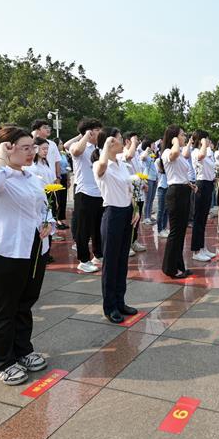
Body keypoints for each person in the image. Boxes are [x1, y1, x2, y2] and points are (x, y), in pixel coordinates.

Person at [0, 126, 52, 386]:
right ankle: (3, 362)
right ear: (7, 148)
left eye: (33, 147)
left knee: (25, 302)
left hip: (34, 247)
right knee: (3, 308)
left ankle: (23, 350)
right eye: (25, 148)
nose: (31, 152)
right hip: (4, 250)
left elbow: (42, 208)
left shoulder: (31, 176)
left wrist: (49, 222)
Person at [93, 128, 140, 323]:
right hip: (112, 214)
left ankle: (120, 301)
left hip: (127, 213)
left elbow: (130, 188)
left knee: (122, 261)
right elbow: (102, 166)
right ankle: (110, 306)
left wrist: (135, 209)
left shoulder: (121, 164)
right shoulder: (100, 164)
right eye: (120, 139)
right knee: (111, 263)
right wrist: (105, 145)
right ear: (110, 143)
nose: (124, 142)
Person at [67, 118, 104, 273]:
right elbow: (76, 151)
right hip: (84, 192)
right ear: (89, 132)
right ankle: (83, 260)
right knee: (84, 229)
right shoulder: (78, 146)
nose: (100, 133)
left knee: (98, 227)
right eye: (97, 130)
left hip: (99, 192)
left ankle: (98, 254)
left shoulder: (99, 148)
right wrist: (86, 136)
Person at [160, 125, 195, 279]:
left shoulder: (179, 153)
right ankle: (169, 268)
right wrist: (175, 142)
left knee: (181, 232)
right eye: (181, 135)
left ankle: (179, 266)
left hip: (183, 191)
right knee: (175, 232)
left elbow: (179, 173)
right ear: (173, 137)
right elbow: (173, 154)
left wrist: (189, 184)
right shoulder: (168, 152)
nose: (184, 137)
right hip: (175, 194)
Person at [190, 130, 217, 262]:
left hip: (208, 184)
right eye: (206, 138)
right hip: (201, 184)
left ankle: (202, 247)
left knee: (203, 219)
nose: (208, 141)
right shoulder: (196, 152)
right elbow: (201, 156)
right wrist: (204, 144)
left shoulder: (206, 152)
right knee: (198, 219)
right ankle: (196, 251)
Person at [155, 153, 170, 237]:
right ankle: (159, 230)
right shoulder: (158, 161)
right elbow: (158, 173)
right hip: (162, 187)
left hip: (168, 186)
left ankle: (164, 227)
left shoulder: (169, 160)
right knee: (161, 209)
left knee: (166, 209)